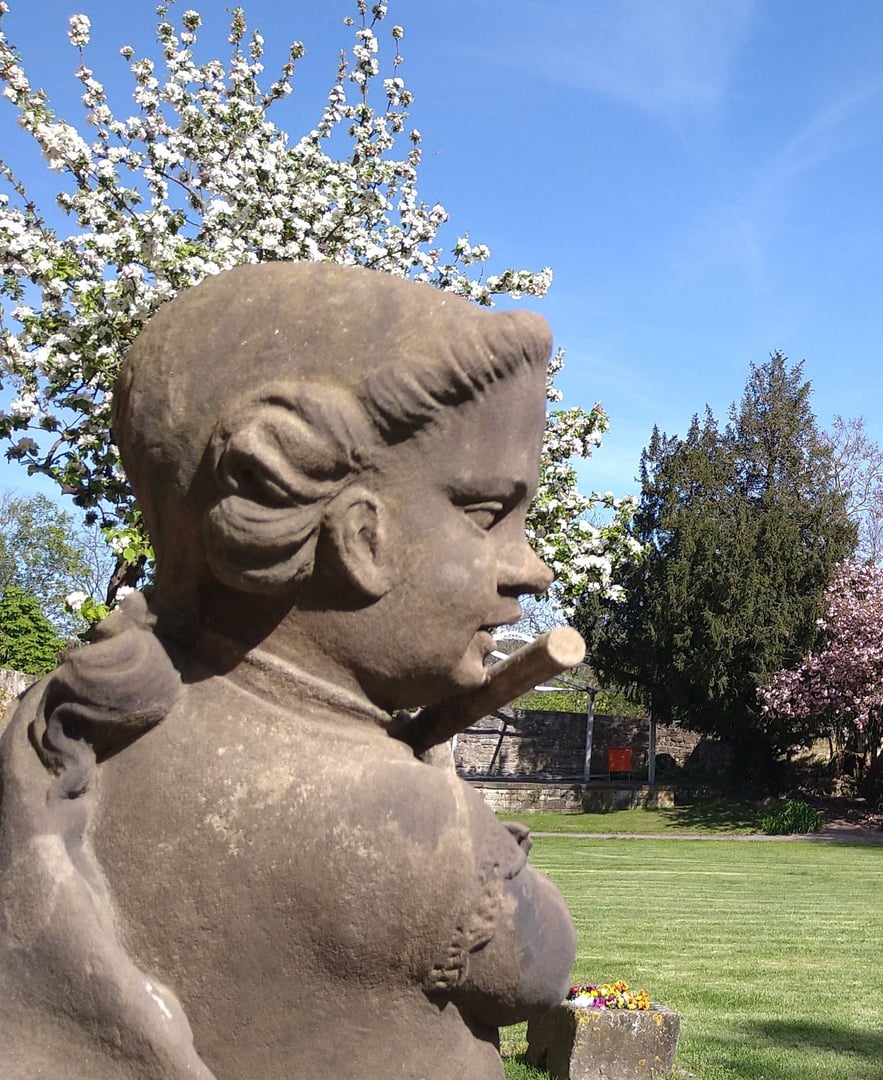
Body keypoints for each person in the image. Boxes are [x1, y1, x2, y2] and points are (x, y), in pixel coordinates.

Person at [0, 263, 577, 1079]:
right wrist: (433, 780)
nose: (531, 569)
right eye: (487, 514)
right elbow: (541, 967)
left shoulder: (85, 723)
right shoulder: (395, 820)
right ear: (358, 535)